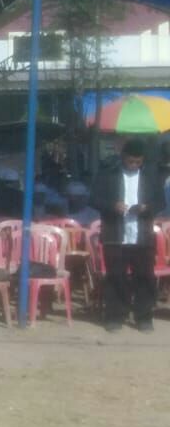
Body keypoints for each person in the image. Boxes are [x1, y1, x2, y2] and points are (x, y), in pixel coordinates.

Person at [91, 140, 164, 333]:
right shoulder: (108, 173)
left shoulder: (151, 175)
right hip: (115, 233)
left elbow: (161, 202)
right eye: (131, 161)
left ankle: (144, 317)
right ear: (123, 157)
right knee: (116, 277)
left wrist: (147, 207)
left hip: (142, 235)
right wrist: (112, 205)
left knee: (145, 276)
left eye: (138, 162)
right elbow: (94, 199)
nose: (134, 165)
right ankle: (115, 316)